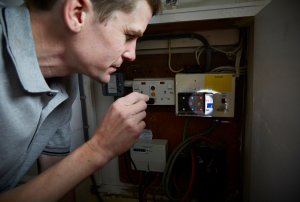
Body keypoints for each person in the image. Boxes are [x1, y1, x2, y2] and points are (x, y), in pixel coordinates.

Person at [0, 0, 162, 201]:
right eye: (129, 35)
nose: (132, 55)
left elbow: (57, 176)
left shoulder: (65, 76)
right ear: (77, 13)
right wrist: (99, 149)